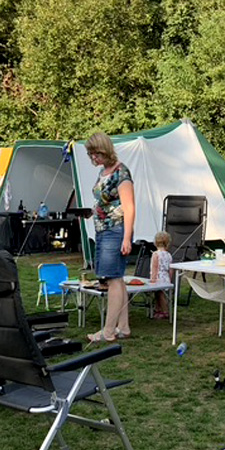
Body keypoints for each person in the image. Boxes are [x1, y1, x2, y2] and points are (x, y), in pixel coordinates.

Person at [85, 132, 135, 343]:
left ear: (105, 151)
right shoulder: (104, 172)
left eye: (96, 154)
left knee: (113, 280)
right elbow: (105, 202)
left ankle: (107, 331)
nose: (93, 159)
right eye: (91, 155)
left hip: (115, 231)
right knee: (118, 279)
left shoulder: (121, 173)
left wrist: (126, 238)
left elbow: (129, 207)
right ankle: (123, 327)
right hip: (103, 230)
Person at [149, 231, 173, 320]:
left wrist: (153, 279)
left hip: (158, 278)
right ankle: (158, 309)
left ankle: (164, 311)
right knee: (160, 294)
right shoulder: (169, 255)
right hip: (165, 277)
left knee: (160, 295)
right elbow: (171, 269)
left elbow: (154, 268)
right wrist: (170, 279)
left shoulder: (155, 254)